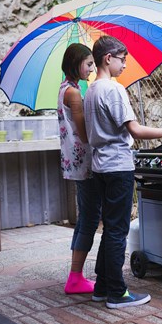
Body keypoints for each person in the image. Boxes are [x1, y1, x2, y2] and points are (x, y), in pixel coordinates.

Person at [84, 35, 162, 309]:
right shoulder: (113, 89)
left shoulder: (90, 91)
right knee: (118, 229)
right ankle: (117, 294)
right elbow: (135, 130)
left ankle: (101, 287)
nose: (124, 66)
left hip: (99, 167)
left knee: (110, 228)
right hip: (118, 165)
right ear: (108, 58)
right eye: (122, 60)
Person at [58, 43, 101, 294]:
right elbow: (84, 134)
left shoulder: (67, 88)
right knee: (90, 217)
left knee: (86, 216)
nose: (92, 68)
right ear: (76, 63)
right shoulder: (73, 93)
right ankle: (75, 278)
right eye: (88, 64)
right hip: (84, 161)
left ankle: (76, 275)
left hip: (75, 162)